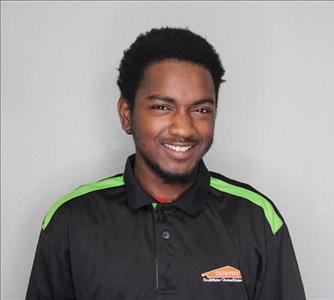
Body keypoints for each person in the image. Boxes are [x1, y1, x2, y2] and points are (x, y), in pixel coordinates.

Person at [26, 27, 306, 300]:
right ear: (127, 115)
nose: (183, 128)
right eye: (162, 107)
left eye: (201, 109)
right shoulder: (70, 220)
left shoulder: (257, 218)